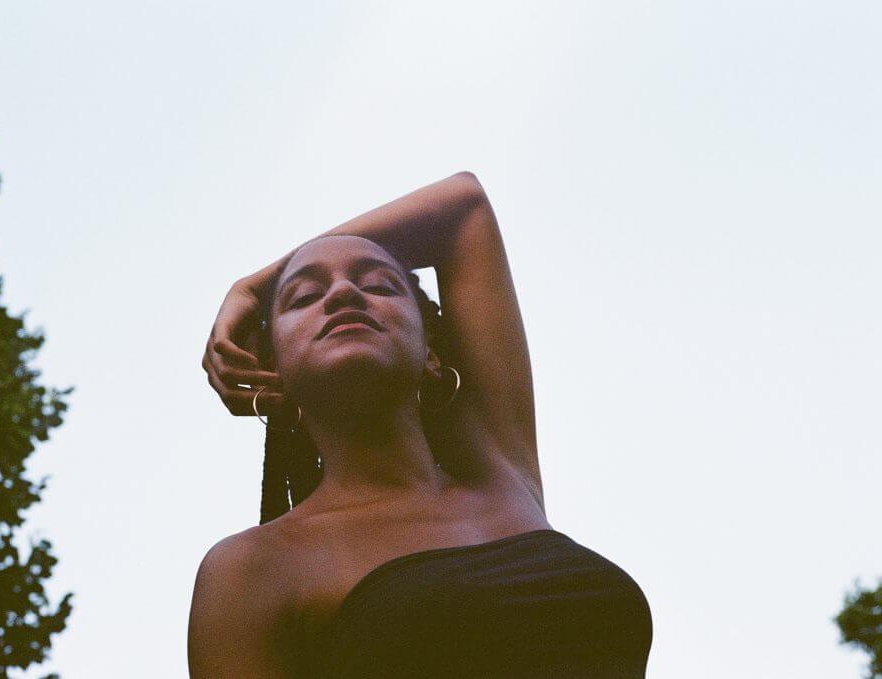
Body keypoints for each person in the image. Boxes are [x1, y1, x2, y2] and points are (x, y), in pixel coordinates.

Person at [189, 172, 653, 677]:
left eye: (378, 284)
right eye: (302, 298)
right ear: (271, 372)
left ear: (431, 352)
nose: (344, 293)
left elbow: (463, 207)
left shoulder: (500, 473)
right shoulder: (252, 569)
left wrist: (254, 288)